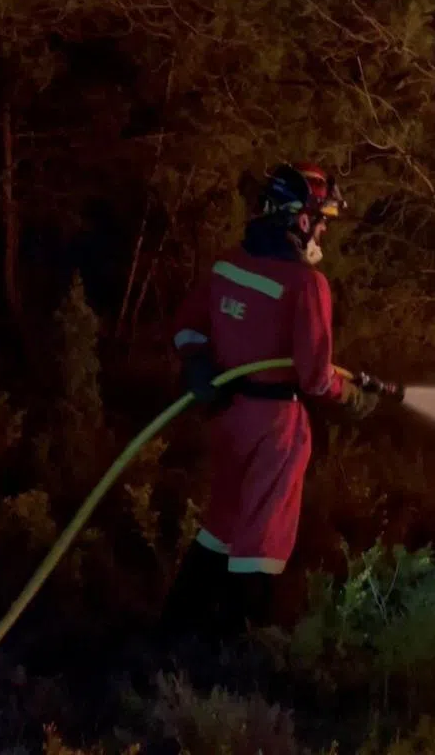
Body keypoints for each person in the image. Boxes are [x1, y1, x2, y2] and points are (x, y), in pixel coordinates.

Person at [159, 161, 379, 643]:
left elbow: (188, 325)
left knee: (221, 526)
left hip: (228, 416)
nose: (323, 228)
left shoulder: (229, 264)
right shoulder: (307, 285)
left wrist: (197, 363)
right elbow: (316, 378)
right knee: (262, 541)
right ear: (299, 219)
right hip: (276, 426)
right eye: (321, 218)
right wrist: (352, 397)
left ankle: (173, 633)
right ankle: (241, 650)